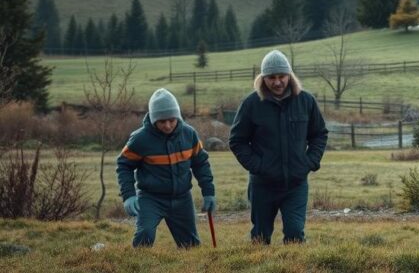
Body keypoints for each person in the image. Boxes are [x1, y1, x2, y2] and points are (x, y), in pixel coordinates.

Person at [229, 49, 328, 244]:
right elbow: (237, 141)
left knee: (294, 235)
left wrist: (309, 162)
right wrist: (259, 167)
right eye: (271, 77)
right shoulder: (251, 104)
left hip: (296, 184)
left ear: (289, 76)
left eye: (281, 76)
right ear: (262, 78)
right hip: (262, 185)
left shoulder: (306, 101)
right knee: (260, 237)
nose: (277, 82)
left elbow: (319, 134)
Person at [116, 88, 215, 248]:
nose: (168, 125)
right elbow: (123, 166)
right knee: (145, 234)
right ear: (154, 119)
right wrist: (129, 195)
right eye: (162, 121)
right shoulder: (140, 139)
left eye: (171, 120)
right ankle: (137, 265)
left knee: (190, 246)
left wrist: (209, 192)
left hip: (182, 198)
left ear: (177, 117)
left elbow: (201, 164)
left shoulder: (189, 135)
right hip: (151, 198)